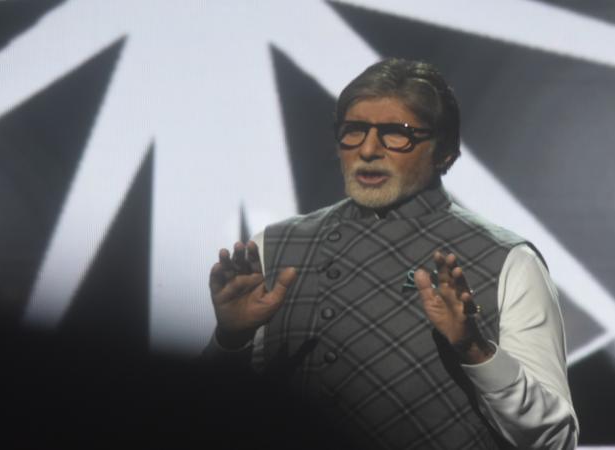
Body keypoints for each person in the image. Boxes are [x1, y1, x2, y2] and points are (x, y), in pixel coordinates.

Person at [203, 58, 578, 449]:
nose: (367, 149)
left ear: (445, 152)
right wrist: (231, 340)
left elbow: (556, 440)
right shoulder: (273, 246)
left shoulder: (508, 261)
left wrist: (474, 350)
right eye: (354, 131)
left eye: (395, 134)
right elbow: (201, 419)